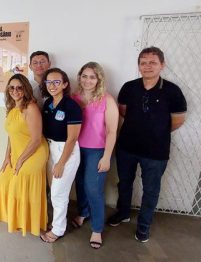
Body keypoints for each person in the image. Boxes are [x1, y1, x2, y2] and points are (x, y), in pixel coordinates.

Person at [107, 46, 187, 243]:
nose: (148, 66)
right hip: (127, 147)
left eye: (153, 62)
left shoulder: (173, 91)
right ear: (139, 66)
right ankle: (123, 213)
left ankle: (143, 227)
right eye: (143, 62)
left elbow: (177, 120)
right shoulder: (129, 87)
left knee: (151, 190)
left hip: (156, 152)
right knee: (124, 183)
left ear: (162, 65)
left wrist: (155, 132)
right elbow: (123, 111)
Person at [71, 62, 119, 249]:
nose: (88, 80)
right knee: (80, 185)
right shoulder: (73, 98)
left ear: (98, 79)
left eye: (92, 77)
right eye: (84, 76)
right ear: (80, 77)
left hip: (97, 151)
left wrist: (107, 156)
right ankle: (83, 213)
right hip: (75, 149)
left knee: (93, 189)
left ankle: (97, 228)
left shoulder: (107, 100)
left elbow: (112, 131)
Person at [0, 74, 48, 236]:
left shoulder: (31, 108)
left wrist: (21, 160)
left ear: (25, 89)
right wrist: (7, 157)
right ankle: (14, 217)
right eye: (11, 87)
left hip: (35, 152)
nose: (15, 91)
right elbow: (11, 136)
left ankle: (28, 221)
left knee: (20, 179)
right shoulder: (12, 108)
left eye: (19, 87)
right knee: (3, 178)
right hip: (17, 152)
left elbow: (36, 139)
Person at [39, 68, 82, 243]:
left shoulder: (71, 106)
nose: (52, 86)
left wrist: (61, 163)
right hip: (50, 148)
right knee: (54, 192)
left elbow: (72, 138)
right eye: (49, 82)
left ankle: (57, 230)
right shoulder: (48, 103)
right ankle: (57, 223)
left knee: (58, 193)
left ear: (64, 84)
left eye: (57, 82)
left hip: (66, 152)